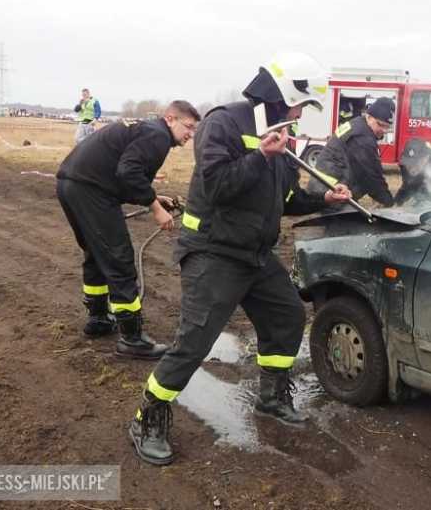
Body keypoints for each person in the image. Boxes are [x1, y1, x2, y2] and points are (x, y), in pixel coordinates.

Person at [129, 51, 351, 466]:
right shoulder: (224, 122)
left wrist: (324, 197)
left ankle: (270, 397)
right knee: (195, 343)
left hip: (254, 254)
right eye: (303, 103)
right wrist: (261, 156)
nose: (304, 113)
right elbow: (217, 186)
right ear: (287, 93)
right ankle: (148, 416)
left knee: (286, 315)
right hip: (213, 251)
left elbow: (284, 199)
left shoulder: (282, 134)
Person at [56, 100, 201, 360]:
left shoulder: (147, 130)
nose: (191, 134)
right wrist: (157, 210)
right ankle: (132, 339)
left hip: (72, 185)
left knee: (97, 255)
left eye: (194, 129)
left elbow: (125, 174)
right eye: (188, 127)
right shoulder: (157, 136)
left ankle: (98, 319)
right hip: (90, 190)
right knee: (119, 259)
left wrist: (156, 197)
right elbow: (129, 172)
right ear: (170, 119)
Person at [309, 96, 396, 207]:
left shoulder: (358, 125)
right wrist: (389, 204)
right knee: (348, 223)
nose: (383, 131)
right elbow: (371, 175)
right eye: (380, 125)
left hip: (331, 187)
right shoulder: (361, 137)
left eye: (387, 127)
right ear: (369, 117)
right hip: (328, 190)